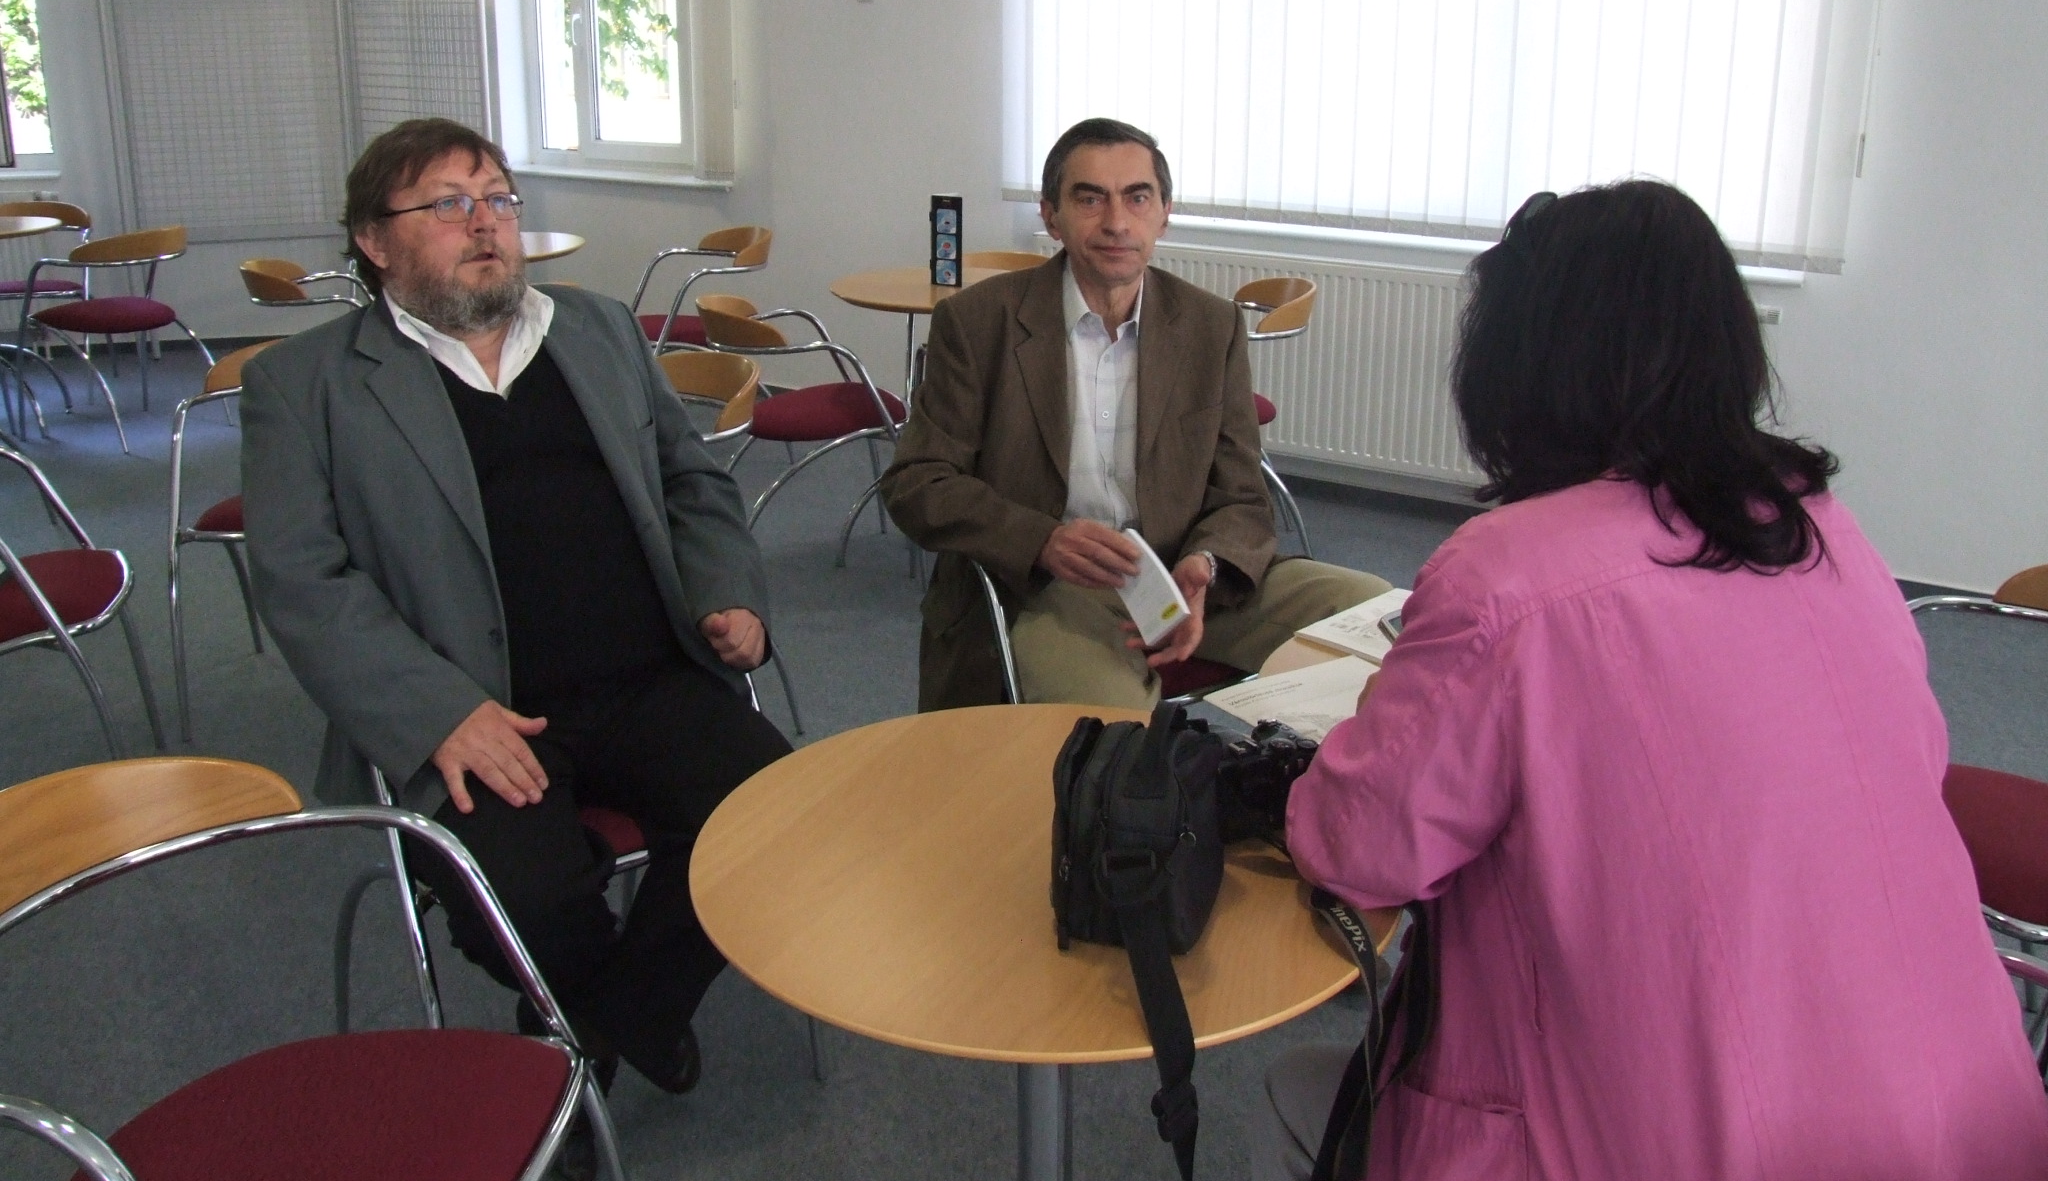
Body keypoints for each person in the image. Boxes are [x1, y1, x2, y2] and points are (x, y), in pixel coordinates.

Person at [1263, 181, 2048, 1179]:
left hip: (1675, 1141)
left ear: (1516, 360)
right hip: (1969, 1124)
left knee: (1296, 1089)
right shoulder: (1818, 530)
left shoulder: (1504, 575)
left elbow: (1356, 850)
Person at [243, 117, 789, 1099]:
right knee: (529, 902)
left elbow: (692, 482)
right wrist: (439, 713)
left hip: (648, 677)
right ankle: (616, 1024)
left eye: (498, 198)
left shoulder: (598, 329)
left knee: (777, 818)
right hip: (475, 710)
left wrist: (725, 591)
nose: (484, 221)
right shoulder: (303, 385)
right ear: (373, 240)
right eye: (449, 204)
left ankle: (601, 1031)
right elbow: (302, 582)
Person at [880, 116, 1391, 711]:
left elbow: (1242, 495)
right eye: (1090, 198)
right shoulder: (977, 322)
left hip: (1183, 579)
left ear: (1164, 213)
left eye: (1137, 197)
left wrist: (1206, 563)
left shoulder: (1209, 325)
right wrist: (1043, 540)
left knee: (1384, 620)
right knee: (1108, 722)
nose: (1117, 222)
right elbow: (918, 482)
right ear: (1051, 217)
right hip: (1049, 586)